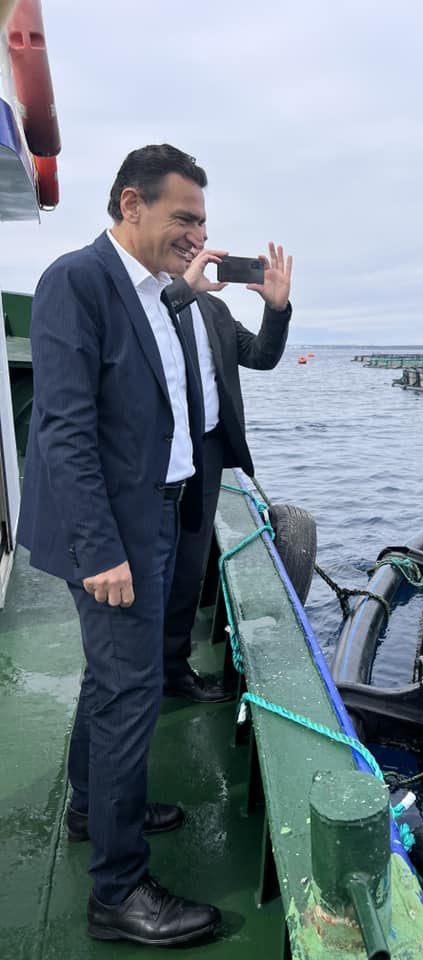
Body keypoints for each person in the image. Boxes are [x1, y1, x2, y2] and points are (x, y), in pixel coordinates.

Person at [17, 143, 292, 946]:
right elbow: (64, 428)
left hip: (160, 514)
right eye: (184, 217)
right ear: (131, 204)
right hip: (118, 531)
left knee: (112, 683)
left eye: (202, 220)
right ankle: (118, 892)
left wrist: (249, 301)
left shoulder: (162, 296)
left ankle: (92, 807)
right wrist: (100, 549)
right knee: (130, 693)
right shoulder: (78, 280)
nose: (198, 234)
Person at [162, 247, 291, 703]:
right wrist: (181, 290)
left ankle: (172, 668)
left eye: (201, 234)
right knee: (150, 562)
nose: (195, 244)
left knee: (190, 563)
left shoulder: (214, 308)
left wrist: (276, 309)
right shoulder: (149, 300)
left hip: (209, 449)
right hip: (157, 454)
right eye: (185, 232)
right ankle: (136, 666)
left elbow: (260, 355)